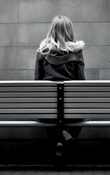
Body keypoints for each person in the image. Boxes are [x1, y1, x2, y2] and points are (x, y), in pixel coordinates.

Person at [34, 15, 85, 160]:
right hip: (73, 112)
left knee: (50, 115)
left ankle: (57, 143)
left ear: (52, 30)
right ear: (69, 31)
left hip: (46, 113)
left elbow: (37, 81)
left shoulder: (42, 52)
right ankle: (64, 140)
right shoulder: (77, 52)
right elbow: (82, 82)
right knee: (85, 114)